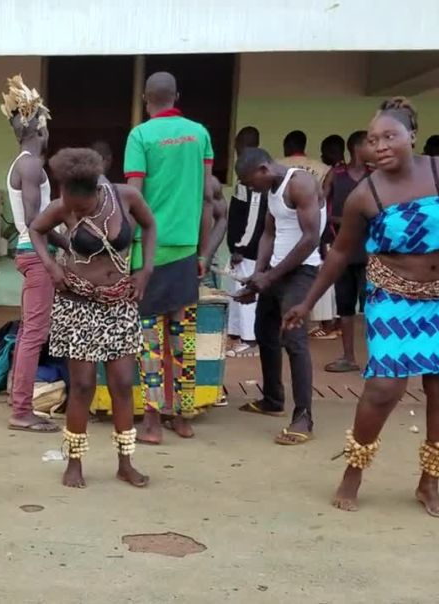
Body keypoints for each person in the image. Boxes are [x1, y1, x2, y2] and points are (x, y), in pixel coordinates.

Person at [282, 97, 439, 517]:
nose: (378, 145)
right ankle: (354, 472)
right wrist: (306, 302)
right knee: (384, 388)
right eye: (372, 139)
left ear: (412, 137)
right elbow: (340, 254)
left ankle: (429, 482)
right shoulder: (365, 195)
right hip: (393, 298)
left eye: (389, 136)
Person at [29, 148, 157, 488]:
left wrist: (146, 270)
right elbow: (36, 230)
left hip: (120, 303)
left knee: (123, 384)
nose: (72, 212)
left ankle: (125, 463)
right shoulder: (63, 205)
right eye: (68, 205)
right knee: (83, 385)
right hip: (77, 303)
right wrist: (52, 266)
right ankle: (74, 463)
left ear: (95, 191)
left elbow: (150, 224)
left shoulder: (126, 196)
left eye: (80, 208)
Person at [124, 72, 214, 444]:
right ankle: (185, 417)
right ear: (176, 95)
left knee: (148, 343)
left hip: (148, 255)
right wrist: (203, 253)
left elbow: (133, 200)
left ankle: (152, 423)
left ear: (146, 98)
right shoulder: (200, 134)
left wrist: (123, 253)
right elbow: (208, 198)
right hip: (186, 254)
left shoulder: (140, 136)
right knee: (183, 340)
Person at [234, 148, 325, 445]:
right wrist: (258, 276)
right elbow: (268, 235)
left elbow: (311, 238)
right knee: (264, 330)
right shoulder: (269, 190)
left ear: (263, 168)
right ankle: (273, 399)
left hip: (303, 272)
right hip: (277, 269)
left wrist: (269, 277)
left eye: (250, 182)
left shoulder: (300, 184)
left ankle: (304, 417)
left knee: (294, 340)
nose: (250, 188)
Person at [0, 75, 60, 433]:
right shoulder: (31, 166)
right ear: (39, 127)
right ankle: (21, 410)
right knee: (34, 332)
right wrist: (58, 255)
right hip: (36, 255)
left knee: (29, 332)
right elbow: (38, 222)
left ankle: (19, 402)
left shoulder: (22, 164)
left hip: (30, 252)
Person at [279, 130, 337, 339]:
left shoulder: (278, 164)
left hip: (284, 228)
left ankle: (287, 321)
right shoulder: (323, 169)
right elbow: (325, 200)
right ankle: (319, 323)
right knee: (315, 275)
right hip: (315, 227)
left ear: (287, 145)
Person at [322, 130, 370, 373]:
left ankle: (380, 358)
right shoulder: (336, 174)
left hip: (372, 252)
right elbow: (320, 207)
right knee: (345, 306)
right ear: (357, 148)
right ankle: (348, 357)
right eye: (370, 143)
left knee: (373, 306)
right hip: (343, 250)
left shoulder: (377, 175)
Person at [224, 126, 266, 358]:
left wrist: (239, 247)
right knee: (237, 290)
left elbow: (252, 217)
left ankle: (249, 339)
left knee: (247, 291)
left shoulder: (251, 176)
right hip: (244, 247)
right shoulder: (248, 175)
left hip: (249, 249)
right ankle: (236, 334)